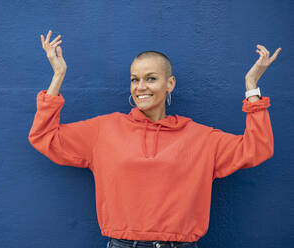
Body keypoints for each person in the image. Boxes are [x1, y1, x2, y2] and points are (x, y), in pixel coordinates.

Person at [28, 30, 281, 248]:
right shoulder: (104, 130)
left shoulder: (201, 138)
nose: (140, 87)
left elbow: (257, 148)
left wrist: (252, 87)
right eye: (134, 80)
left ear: (170, 83)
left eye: (151, 78)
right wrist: (58, 76)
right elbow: (44, 136)